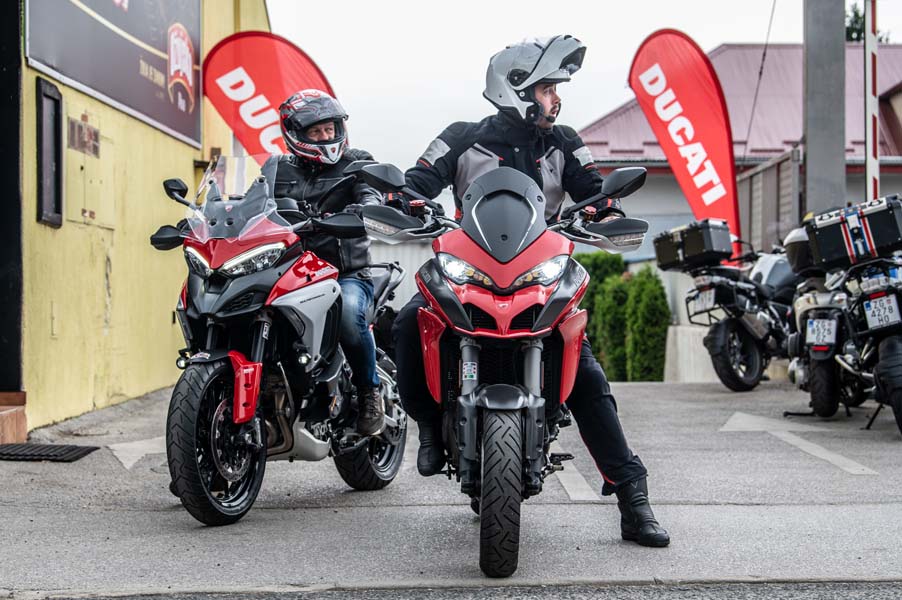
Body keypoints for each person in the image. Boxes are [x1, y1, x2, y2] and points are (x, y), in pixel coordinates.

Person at [391, 36, 670, 547]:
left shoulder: (564, 141)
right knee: (409, 323)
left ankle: (633, 497)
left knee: (585, 372)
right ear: (516, 90)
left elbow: (594, 189)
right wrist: (405, 200)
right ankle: (429, 425)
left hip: (540, 277)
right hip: (470, 270)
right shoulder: (461, 138)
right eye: (546, 89)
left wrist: (606, 210)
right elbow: (416, 181)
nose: (555, 98)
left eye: (554, 89)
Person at [275, 89, 384, 436]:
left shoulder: (357, 162)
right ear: (296, 134)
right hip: (291, 272)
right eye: (316, 131)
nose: (325, 137)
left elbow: (372, 193)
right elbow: (253, 203)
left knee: (349, 316)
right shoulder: (277, 169)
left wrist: (364, 209)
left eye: (330, 129)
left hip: (345, 273)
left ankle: (369, 392)